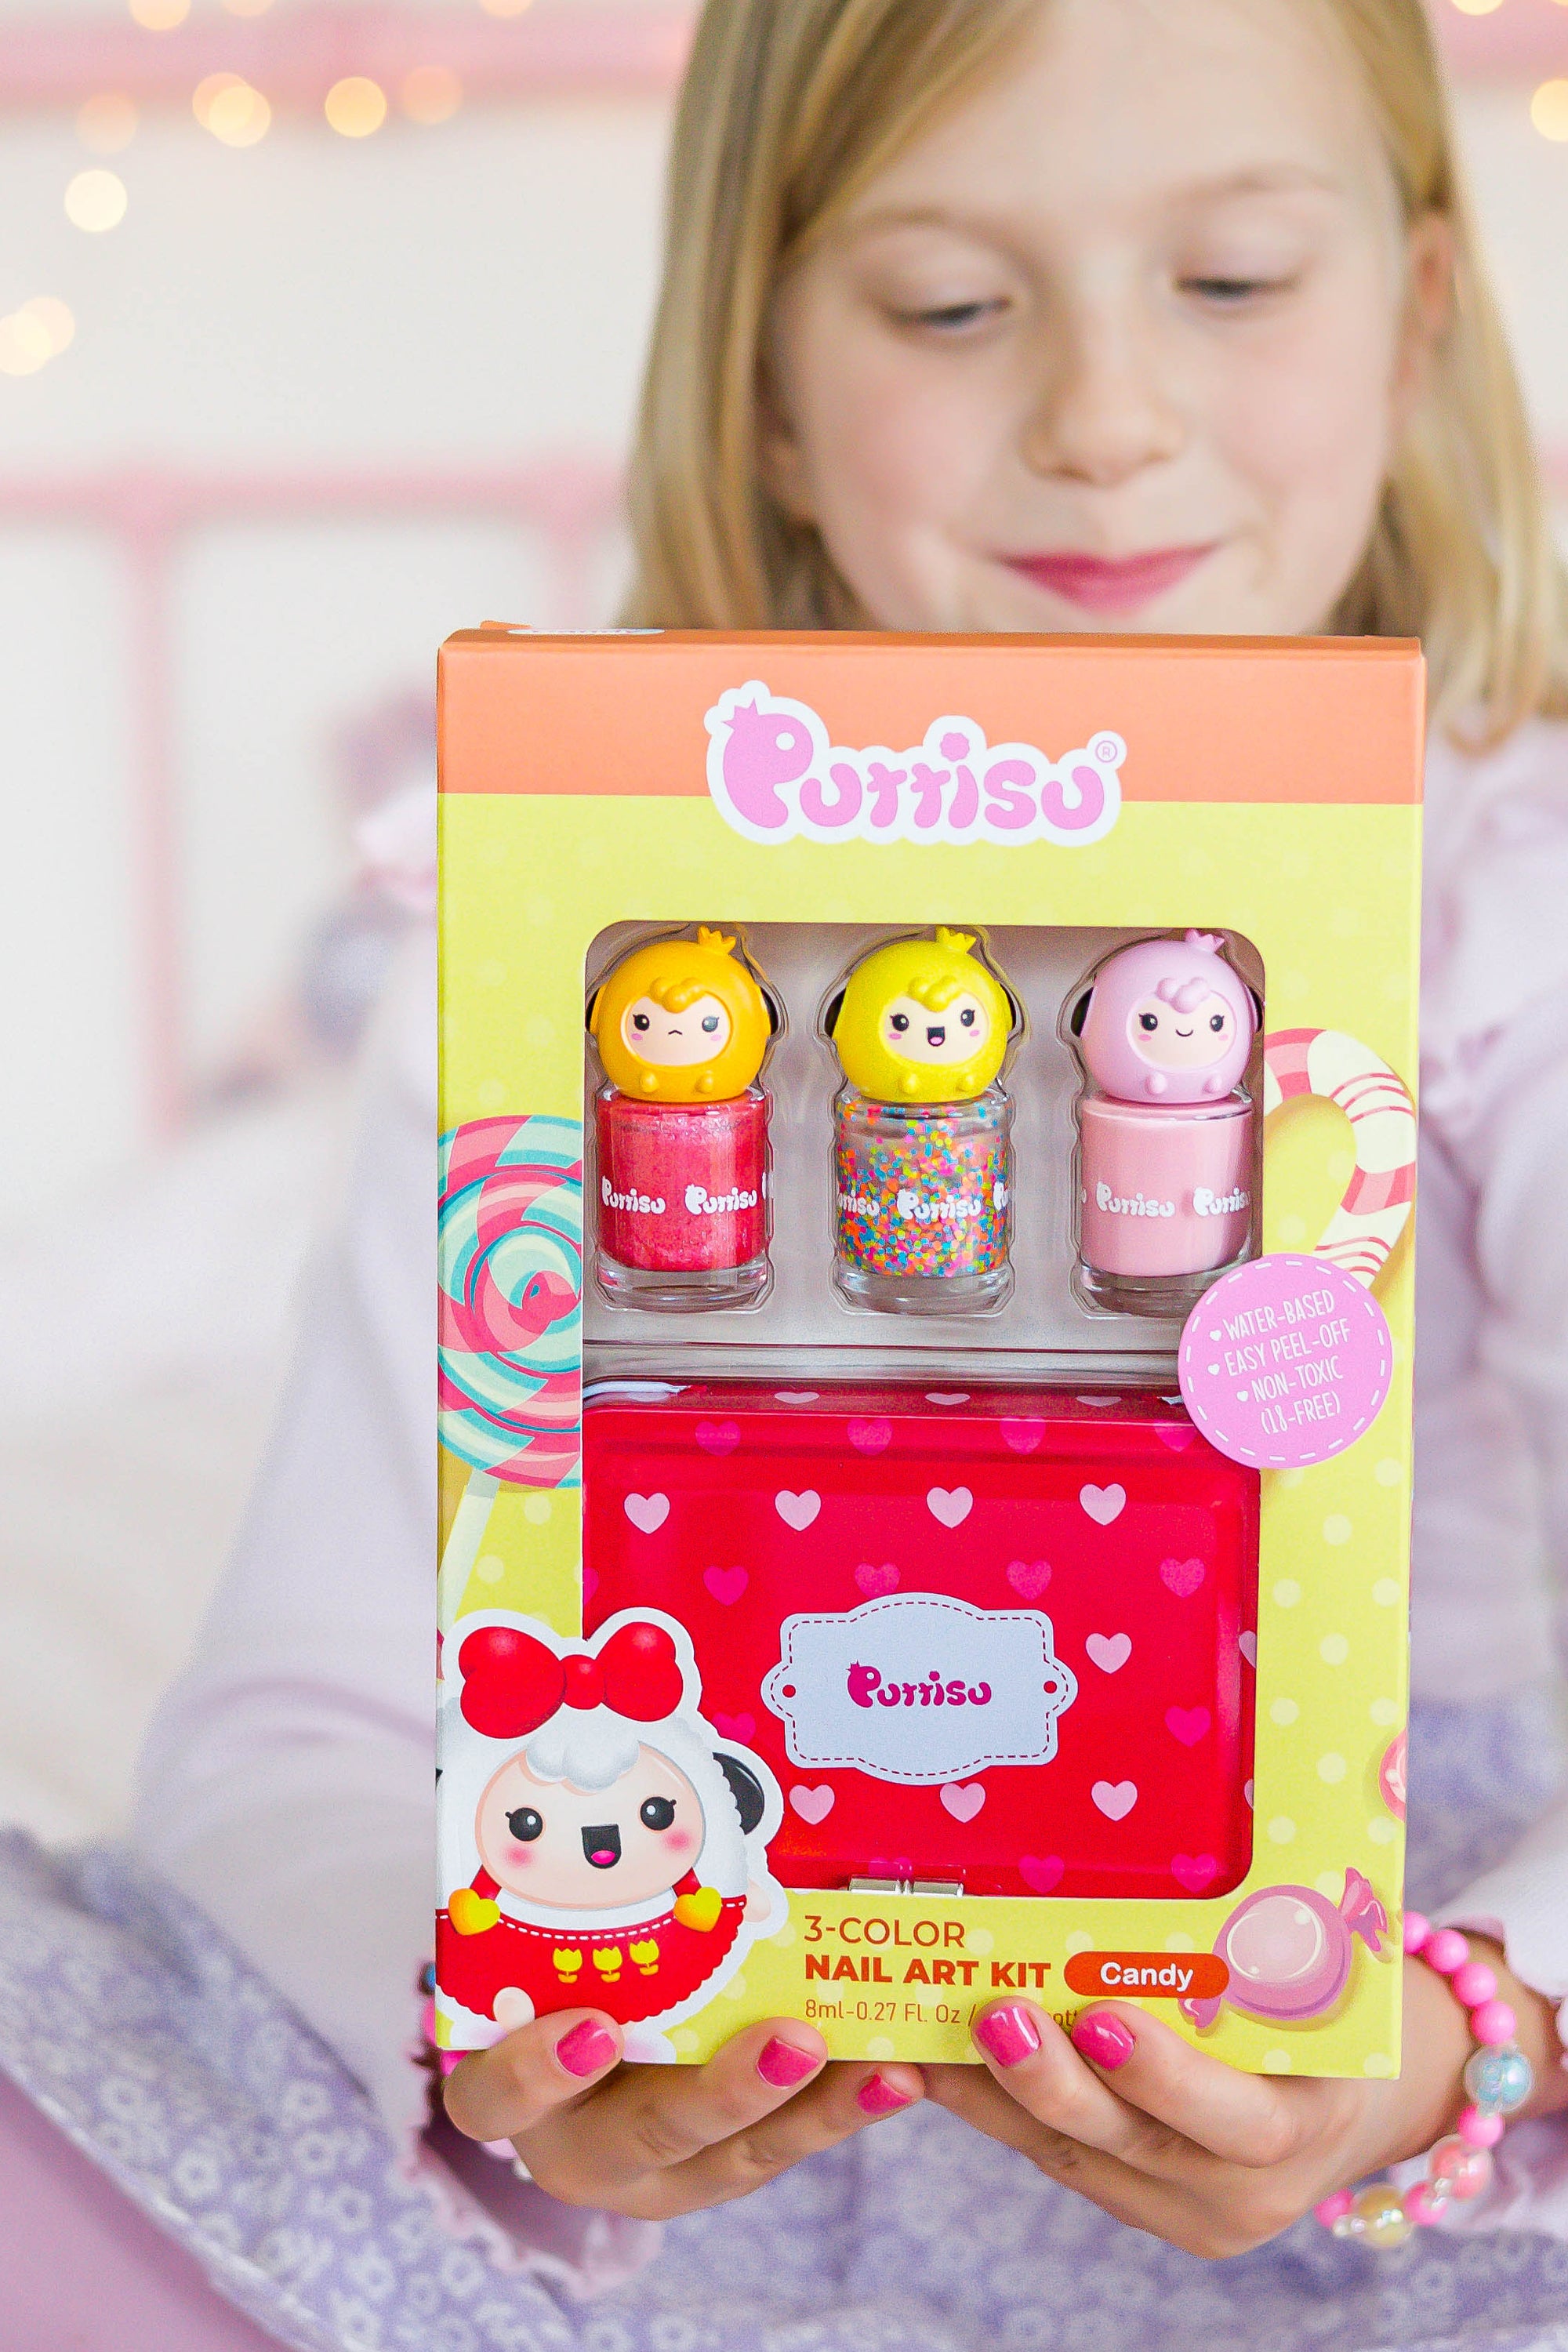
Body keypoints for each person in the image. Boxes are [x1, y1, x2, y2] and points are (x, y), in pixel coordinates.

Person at [12, 2, 1567, 2345]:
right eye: (951, 304)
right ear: (762, 379)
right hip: (688, 2048)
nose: (1107, 414)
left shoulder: (1516, 931)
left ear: (1421, 312)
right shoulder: (561, 960)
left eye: (1233, 277)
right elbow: (291, 1731)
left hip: (1344, 2095)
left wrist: (1471, 2033)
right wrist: (485, 2042)